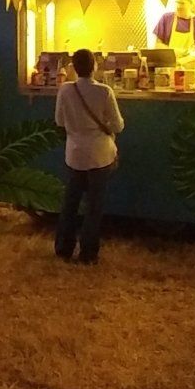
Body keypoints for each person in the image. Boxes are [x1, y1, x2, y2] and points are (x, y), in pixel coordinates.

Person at [53, 48, 123, 264]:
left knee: (70, 203)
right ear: (95, 67)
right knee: (94, 206)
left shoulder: (64, 90)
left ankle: (63, 248)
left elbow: (59, 121)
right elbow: (118, 125)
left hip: (74, 155)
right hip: (100, 157)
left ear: (73, 68)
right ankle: (88, 253)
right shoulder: (104, 91)